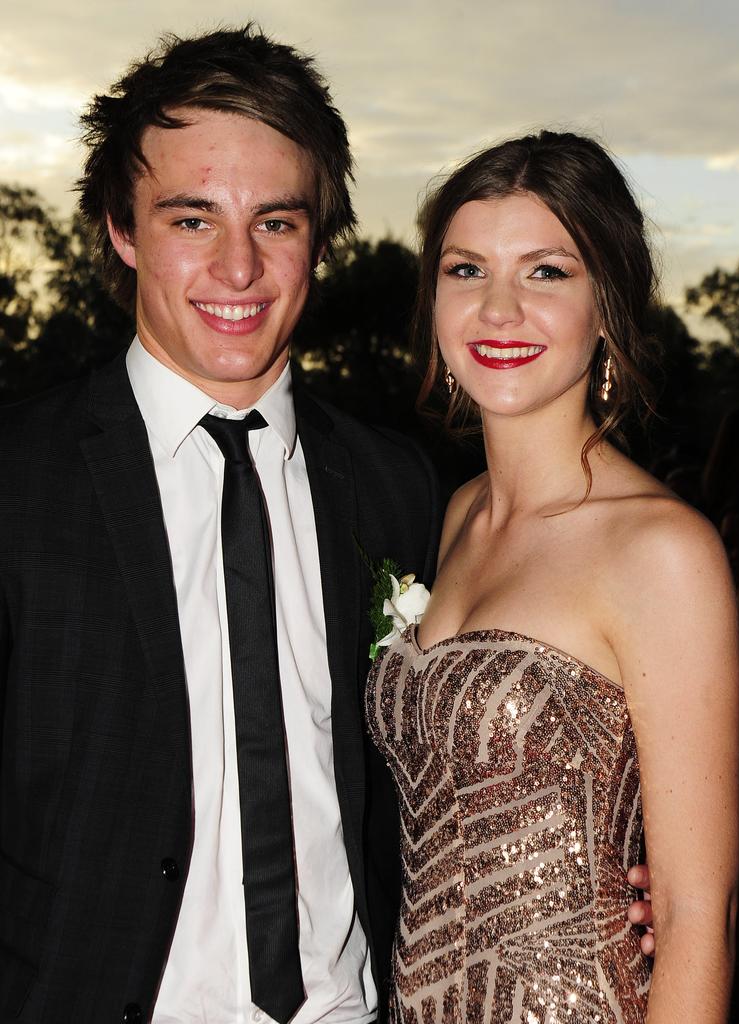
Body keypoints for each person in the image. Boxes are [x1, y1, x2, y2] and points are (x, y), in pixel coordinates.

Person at [0, 26, 443, 1024]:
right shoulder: (18, 481)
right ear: (123, 227)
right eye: (193, 219)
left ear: (320, 235)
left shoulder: (396, 486)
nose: (238, 268)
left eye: (277, 222)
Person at [366, 132, 739, 1022]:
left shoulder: (662, 551)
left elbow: (697, 916)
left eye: (546, 272)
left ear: (608, 304)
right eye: (466, 270)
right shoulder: (452, 516)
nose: (499, 309)